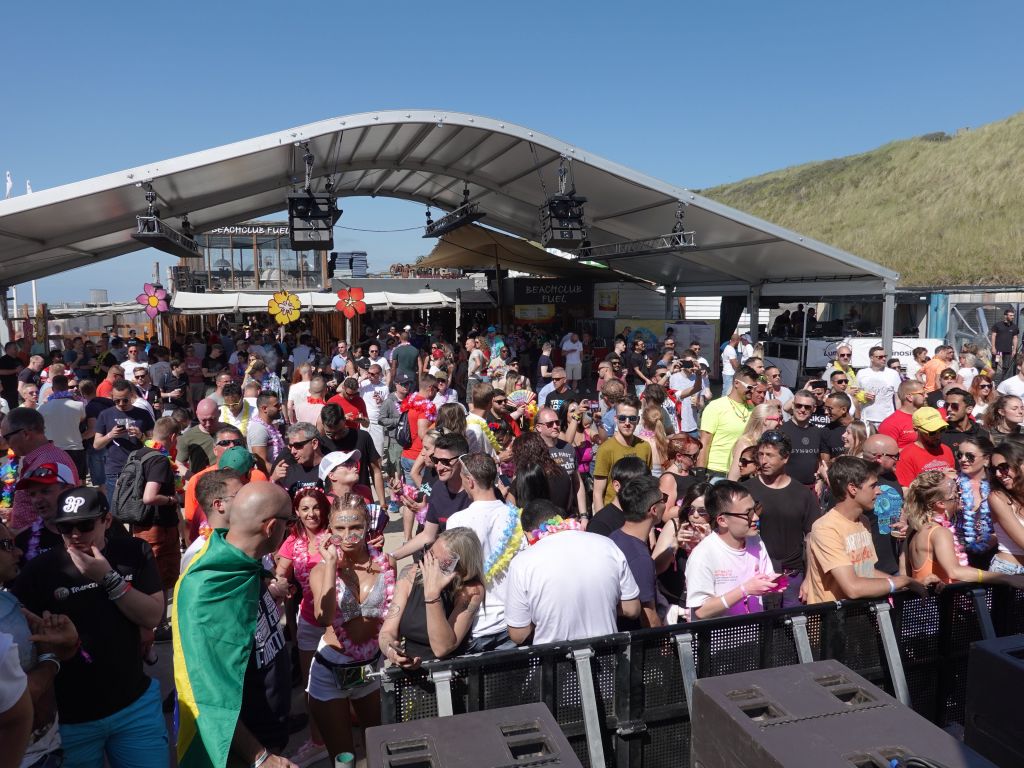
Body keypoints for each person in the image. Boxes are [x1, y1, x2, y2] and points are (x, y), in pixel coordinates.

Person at [12, 486, 167, 768]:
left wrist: (108, 578)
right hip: (72, 720)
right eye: (65, 527)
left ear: (107, 521)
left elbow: (152, 616)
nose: (74, 534)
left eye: (84, 525)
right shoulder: (41, 571)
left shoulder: (132, 551)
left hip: (134, 707)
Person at [173, 482, 295, 768]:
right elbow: (208, 694)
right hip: (241, 749)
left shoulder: (241, 564)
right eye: (289, 523)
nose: (289, 531)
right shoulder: (209, 587)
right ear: (272, 527)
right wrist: (260, 757)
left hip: (269, 729)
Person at [307, 493, 394, 761]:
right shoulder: (322, 571)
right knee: (344, 759)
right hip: (330, 673)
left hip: (368, 671)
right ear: (330, 530)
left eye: (355, 527)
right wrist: (332, 565)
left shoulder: (385, 564)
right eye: (340, 529)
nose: (348, 536)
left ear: (367, 526)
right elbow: (323, 617)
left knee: (378, 751)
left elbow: (393, 612)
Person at [505, 499, 639, 644]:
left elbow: (519, 634)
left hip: (555, 659)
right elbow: (632, 609)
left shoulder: (522, 563)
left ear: (528, 534)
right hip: (607, 654)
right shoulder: (607, 545)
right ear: (560, 519)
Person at [803, 456, 930, 604]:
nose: (879, 491)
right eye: (873, 485)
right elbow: (853, 588)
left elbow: (867, 571)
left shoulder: (863, 521)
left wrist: (910, 582)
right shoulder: (826, 528)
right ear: (852, 488)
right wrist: (900, 582)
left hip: (860, 615)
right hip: (833, 619)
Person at [445, 454, 524, 652]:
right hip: (515, 620)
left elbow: (450, 570)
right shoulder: (515, 516)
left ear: (470, 481)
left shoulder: (456, 521)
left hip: (477, 623)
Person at [379, 526, 484, 666]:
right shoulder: (410, 574)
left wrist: (432, 595)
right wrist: (391, 652)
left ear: (460, 569)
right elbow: (387, 632)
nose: (428, 564)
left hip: (447, 674)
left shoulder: (471, 591)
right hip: (407, 672)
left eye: (437, 563)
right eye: (429, 554)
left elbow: (442, 648)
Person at [905, 470, 1024, 587]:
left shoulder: (914, 529)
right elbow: (954, 571)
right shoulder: (940, 532)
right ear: (940, 503)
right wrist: (1004, 578)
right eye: (955, 494)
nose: (960, 495)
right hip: (941, 603)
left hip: (924, 602)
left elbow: (905, 573)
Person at [684, 480, 779, 619]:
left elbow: (766, 577)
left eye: (755, 510)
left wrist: (772, 584)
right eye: (748, 514)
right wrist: (744, 590)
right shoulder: (703, 555)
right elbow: (701, 611)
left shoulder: (755, 541)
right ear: (722, 520)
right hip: (718, 639)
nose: (756, 518)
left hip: (754, 635)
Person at [745, 432, 820, 607]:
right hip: (756, 575)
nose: (763, 461)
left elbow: (812, 539)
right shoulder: (745, 491)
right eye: (761, 455)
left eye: (770, 455)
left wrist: (809, 579)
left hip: (792, 576)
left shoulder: (803, 494)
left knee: (792, 629)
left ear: (785, 458)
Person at [390, 433, 471, 560]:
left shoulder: (477, 490)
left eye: (445, 462)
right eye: (436, 460)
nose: (439, 467)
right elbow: (428, 535)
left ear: (463, 459)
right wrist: (392, 556)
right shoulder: (438, 489)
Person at [3, 407, 82, 532]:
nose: (7, 443)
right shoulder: (42, 458)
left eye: (7, 438)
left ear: (25, 434)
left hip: (40, 543)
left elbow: (57, 511)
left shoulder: (48, 462)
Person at [610, 476, 665, 629]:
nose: (665, 504)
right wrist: (666, 648)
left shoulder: (613, 537)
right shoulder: (640, 558)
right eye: (663, 499)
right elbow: (649, 618)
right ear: (654, 510)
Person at [592, 396, 653, 509]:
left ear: (638, 420)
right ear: (615, 419)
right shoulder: (606, 449)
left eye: (632, 418)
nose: (627, 423)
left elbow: (647, 484)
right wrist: (601, 520)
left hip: (638, 512)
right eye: (622, 418)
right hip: (613, 513)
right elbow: (597, 493)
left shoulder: (645, 447)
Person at [181, 467, 245, 573]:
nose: (247, 497)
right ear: (219, 504)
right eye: (239, 494)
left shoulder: (250, 538)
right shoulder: (198, 554)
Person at [316, 405, 385, 504]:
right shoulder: (321, 444)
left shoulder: (363, 437)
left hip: (363, 500)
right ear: (322, 424)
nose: (336, 437)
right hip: (334, 504)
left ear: (344, 420)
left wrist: (383, 504)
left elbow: (376, 471)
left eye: (340, 431)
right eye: (330, 433)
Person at [858, 434, 905, 575]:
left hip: (895, 564)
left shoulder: (891, 476)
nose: (897, 460)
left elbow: (900, 506)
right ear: (879, 457)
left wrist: (903, 520)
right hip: (869, 568)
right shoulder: (855, 480)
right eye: (894, 456)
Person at [698, 365, 756, 478]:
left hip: (742, 472)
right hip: (717, 471)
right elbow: (705, 443)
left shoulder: (752, 409)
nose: (752, 391)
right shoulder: (715, 407)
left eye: (754, 387)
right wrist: (700, 473)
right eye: (749, 387)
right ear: (736, 383)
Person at [37, 375, 87, 480]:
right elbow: (81, 419)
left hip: (53, 449)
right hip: (74, 449)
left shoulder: (42, 408)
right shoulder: (79, 405)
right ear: (67, 387)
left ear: (53, 388)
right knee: (77, 481)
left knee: (54, 482)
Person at [779, 390, 830, 490]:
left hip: (811, 489)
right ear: (793, 405)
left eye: (807, 407)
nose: (802, 410)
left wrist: (820, 481)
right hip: (786, 488)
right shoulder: (782, 431)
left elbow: (822, 460)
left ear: (814, 409)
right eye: (799, 405)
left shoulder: (818, 432)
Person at [894, 407, 956, 488]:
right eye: (932, 432)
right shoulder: (906, 456)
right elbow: (907, 492)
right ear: (916, 429)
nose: (938, 436)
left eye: (941, 430)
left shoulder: (946, 450)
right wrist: (940, 478)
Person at [987, 440, 1024, 576]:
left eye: (1003, 467)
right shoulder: (997, 497)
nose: (997, 474)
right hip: (1008, 571)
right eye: (994, 469)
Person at [725, 402, 782, 481]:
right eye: (779, 419)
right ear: (766, 420)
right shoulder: (745, 444)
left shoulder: (766, 443)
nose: (781, 423)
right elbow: (733, 478)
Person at [398, 375, 438, 485]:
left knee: (409, 495)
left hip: (406, 455)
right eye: (437, 389)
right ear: (431, 389)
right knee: (425, 496)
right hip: (419, 459)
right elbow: (422, 434)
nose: (437, 393)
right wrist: (436, 425)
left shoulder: (410, 401)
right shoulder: (427, 406)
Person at [857, 345, 902, 430]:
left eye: (885, 356)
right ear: (871, 358)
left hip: (887, 419)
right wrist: (863, 396)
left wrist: (898, 417)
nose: (884, 359)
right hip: (866, 419)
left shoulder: (893, 374)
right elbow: (856, 393)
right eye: (880, 357)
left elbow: (897, 398)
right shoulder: (862, 373)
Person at [175, 398, 221, 474]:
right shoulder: (188, 436)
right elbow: (179, 464)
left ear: (219, 413)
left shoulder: (230, 433)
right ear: (197, 415)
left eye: (212, 419)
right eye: (203, 420)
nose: (208, 424)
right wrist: (194, 478)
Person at [878, 380, 926, 449]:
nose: (926, 396)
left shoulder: (926, 416)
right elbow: (886, 453)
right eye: (922, 394)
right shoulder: (890, 424)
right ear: (910, 397)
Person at [938, 388, 988, 454]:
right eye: (946, 405)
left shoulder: (982, 433)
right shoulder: (940, 434)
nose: (948, 409)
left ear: (969, 409)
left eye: (954, 406)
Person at [660, 434, 701, 511]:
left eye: (698, 454)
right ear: (679, 456)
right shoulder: (668, 478)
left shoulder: (690, 473)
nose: (698, 458)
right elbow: (665, 513)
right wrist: (694, 507)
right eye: (694, 456)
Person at [990, 308, 1019, 381]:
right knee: (994, 365)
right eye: (1011, 315)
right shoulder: (998, 325)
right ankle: (992, 381)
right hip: (998, 351)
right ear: (1005, 316)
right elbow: (993, 336)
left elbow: (1015, 338)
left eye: (1013, 316)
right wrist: (993, 347)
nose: (1012, 317)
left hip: (1007, 351)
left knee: (1006, 367)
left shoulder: (1014, 327)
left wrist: (1014, 349)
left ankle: (1002, 381)